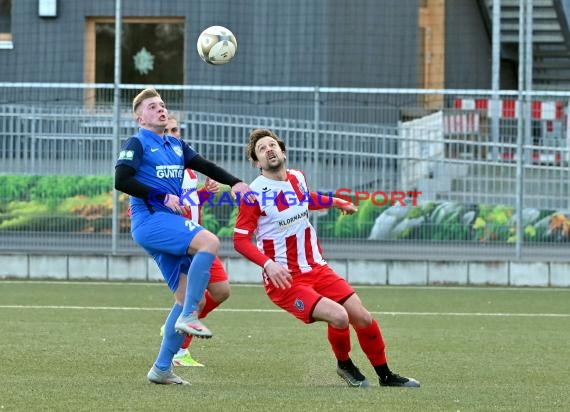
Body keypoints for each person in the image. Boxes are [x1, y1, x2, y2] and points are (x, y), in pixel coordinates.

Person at [233, 128, 420, 388]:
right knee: (340, 316)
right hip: (285, 280)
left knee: (363, 318)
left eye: (272, 145)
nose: (269, 150)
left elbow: (305, 199)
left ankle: (386, 376)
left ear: (283, 151)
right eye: (262, 149)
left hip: (317, 268)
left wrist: (336, 201)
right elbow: (240, 240)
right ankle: (344, 365)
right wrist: (268, 264)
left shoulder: (297, 177)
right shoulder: (253, 194)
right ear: (256, 162)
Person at [115, 87, 252, 385]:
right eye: (152, 107)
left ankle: (162, 368)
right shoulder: (137, 143)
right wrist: (160, 197)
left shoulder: (175, 145)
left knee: (185, 296)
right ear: (140, 118)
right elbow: (121, 180)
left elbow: (205, 166)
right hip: (150, 220)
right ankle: (189, 315)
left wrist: (236, 183)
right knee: (210, 242)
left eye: (162, 105)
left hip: (166, 221)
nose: (160, 110)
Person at [162, 115, 231, 368]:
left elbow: (189, 203)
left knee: (222, 291)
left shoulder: (188, 166)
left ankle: (176, 321)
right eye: (166, 129)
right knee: (196, 300)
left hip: (199, 238)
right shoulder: (159, 169)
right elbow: (149, 205)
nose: (171, 133)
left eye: (175, 129)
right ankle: (179, 352)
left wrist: (203, 193)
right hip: (181, 243)